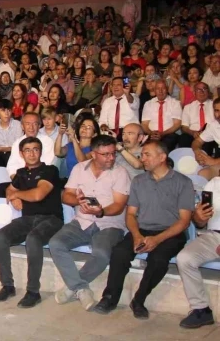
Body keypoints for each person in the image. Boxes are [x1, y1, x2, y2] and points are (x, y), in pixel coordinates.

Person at [94, 140, 194, 319]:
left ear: (162, 157)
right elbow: (131, 215)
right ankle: (110, 297)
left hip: (170, 233)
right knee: (119, 253)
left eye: (147, 154)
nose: (142, 158)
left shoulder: (183, 182)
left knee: (158, 259)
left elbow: (184, 221)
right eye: (142, 154)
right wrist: (137, 235)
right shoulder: (139, 181)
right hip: (142, 229)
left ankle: (139, 300)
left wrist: (157, 239)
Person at [49, 135, 131, 311]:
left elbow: (118, 206)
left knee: (101, 253)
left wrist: (101, 211)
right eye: (105, 154)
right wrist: (78, 200)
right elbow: (66, 196)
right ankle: (80, 288)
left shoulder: (120, 172)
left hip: (109, 223)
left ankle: (72, 287)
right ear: (93, 154)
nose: (111, 158)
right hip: (82, 220)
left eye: (112, 154)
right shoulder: (79, 169)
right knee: (56, 243)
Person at [0, 137, 64, 308]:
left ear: (40, 151)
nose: (32, 153)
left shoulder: (50, 170)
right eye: (28, 150)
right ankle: (7, 286)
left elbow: (39, 194)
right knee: (0, 237)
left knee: (33, 239)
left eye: (35, 149)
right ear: (21, 154)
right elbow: (10, 189)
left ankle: (33, 291)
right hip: (28, 219)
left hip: (51, 219)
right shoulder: (21, 173)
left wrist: (17, 195)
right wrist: (12, 194)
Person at [176, 177, 219, 328]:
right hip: (214, 236)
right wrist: (199, 217)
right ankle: (201, 310)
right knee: (185, 258)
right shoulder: (214, 183)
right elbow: (200, 223)